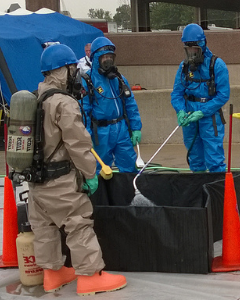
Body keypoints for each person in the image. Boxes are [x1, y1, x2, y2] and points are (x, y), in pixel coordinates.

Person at [31, 43, 126, 296]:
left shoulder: (34, 97)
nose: (76, 73)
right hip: (60, 179)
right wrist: (90, 173)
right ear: (62, 70)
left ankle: (52, 274)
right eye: (72, 68)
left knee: (45, 228)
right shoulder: (63, 103)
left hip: (35, 183)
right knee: (78, 223)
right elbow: (79, 144)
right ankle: (90, 277)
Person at [171, 23, 230, 173]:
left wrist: (203, 111)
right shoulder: (183, 67)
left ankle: (217, 192)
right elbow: (177, 93)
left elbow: (223, 95)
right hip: (189, 117)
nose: (192, 53)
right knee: (195, 158)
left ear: (202, 45)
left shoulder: (217, 65)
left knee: (214, 159)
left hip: (210, 118)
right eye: (188, 49)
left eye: (195, 49)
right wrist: (180, 111)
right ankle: (199, 192)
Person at [80, 37, 142, 173]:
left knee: (129, 165)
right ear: (96, 58)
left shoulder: (119, 79)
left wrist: (136, 127)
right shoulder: (88, 80)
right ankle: (102, 194)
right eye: (104, 57)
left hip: (121, 129)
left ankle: (129, 193)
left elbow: (130, 103)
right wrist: (87, 135)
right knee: (100, 168)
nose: (108, 60)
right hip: (100, 132)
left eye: (110, 57)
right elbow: (84, 111)